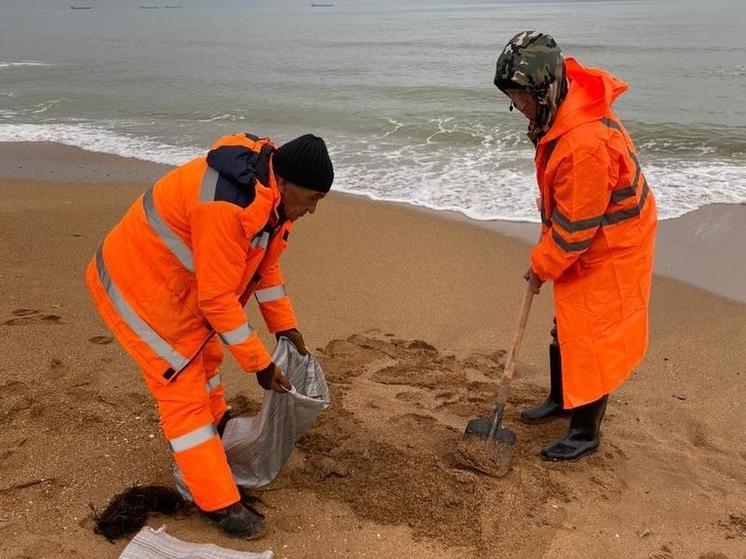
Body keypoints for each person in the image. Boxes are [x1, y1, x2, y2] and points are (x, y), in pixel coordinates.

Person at [85, 132, 333, 538]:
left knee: (208, 359)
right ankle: (216, 501)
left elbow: (263, 267)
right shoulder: (226, 207)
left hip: (178, 283)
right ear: (285, 183)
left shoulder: (270, 201)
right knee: (182, 389)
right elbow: (218, 301)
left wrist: (283, 325)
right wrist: (260, 364)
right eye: (311, 199)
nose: (312, 210)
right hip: (142, 289)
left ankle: (218, 424)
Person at [493, 31, 657, 461]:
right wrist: (549, 246)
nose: (519, 108)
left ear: (546, 90)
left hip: (615, 240)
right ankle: (562, 398)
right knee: (566, 323)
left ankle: (586, 432)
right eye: (513, 98)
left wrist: (541, 265)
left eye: (523, 97)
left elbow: (576, 232)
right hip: (589, 228)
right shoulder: (559, 112)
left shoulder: (584, 144)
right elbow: (567, 209)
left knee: (590, 333)